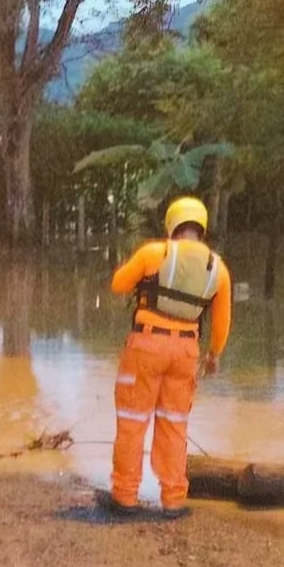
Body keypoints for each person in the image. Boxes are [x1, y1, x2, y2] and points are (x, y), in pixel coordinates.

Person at [98, 195, 233, 520]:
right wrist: (214, 355)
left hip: (147, 345)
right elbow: (222, 321)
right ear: (201, 228)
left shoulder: (154, 253)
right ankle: (173, 501)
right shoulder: (219, 268)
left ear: (172, 225)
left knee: (132, 422)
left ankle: (125, 497)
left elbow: (118, 284)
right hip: (187, 350)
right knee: (174, 425)